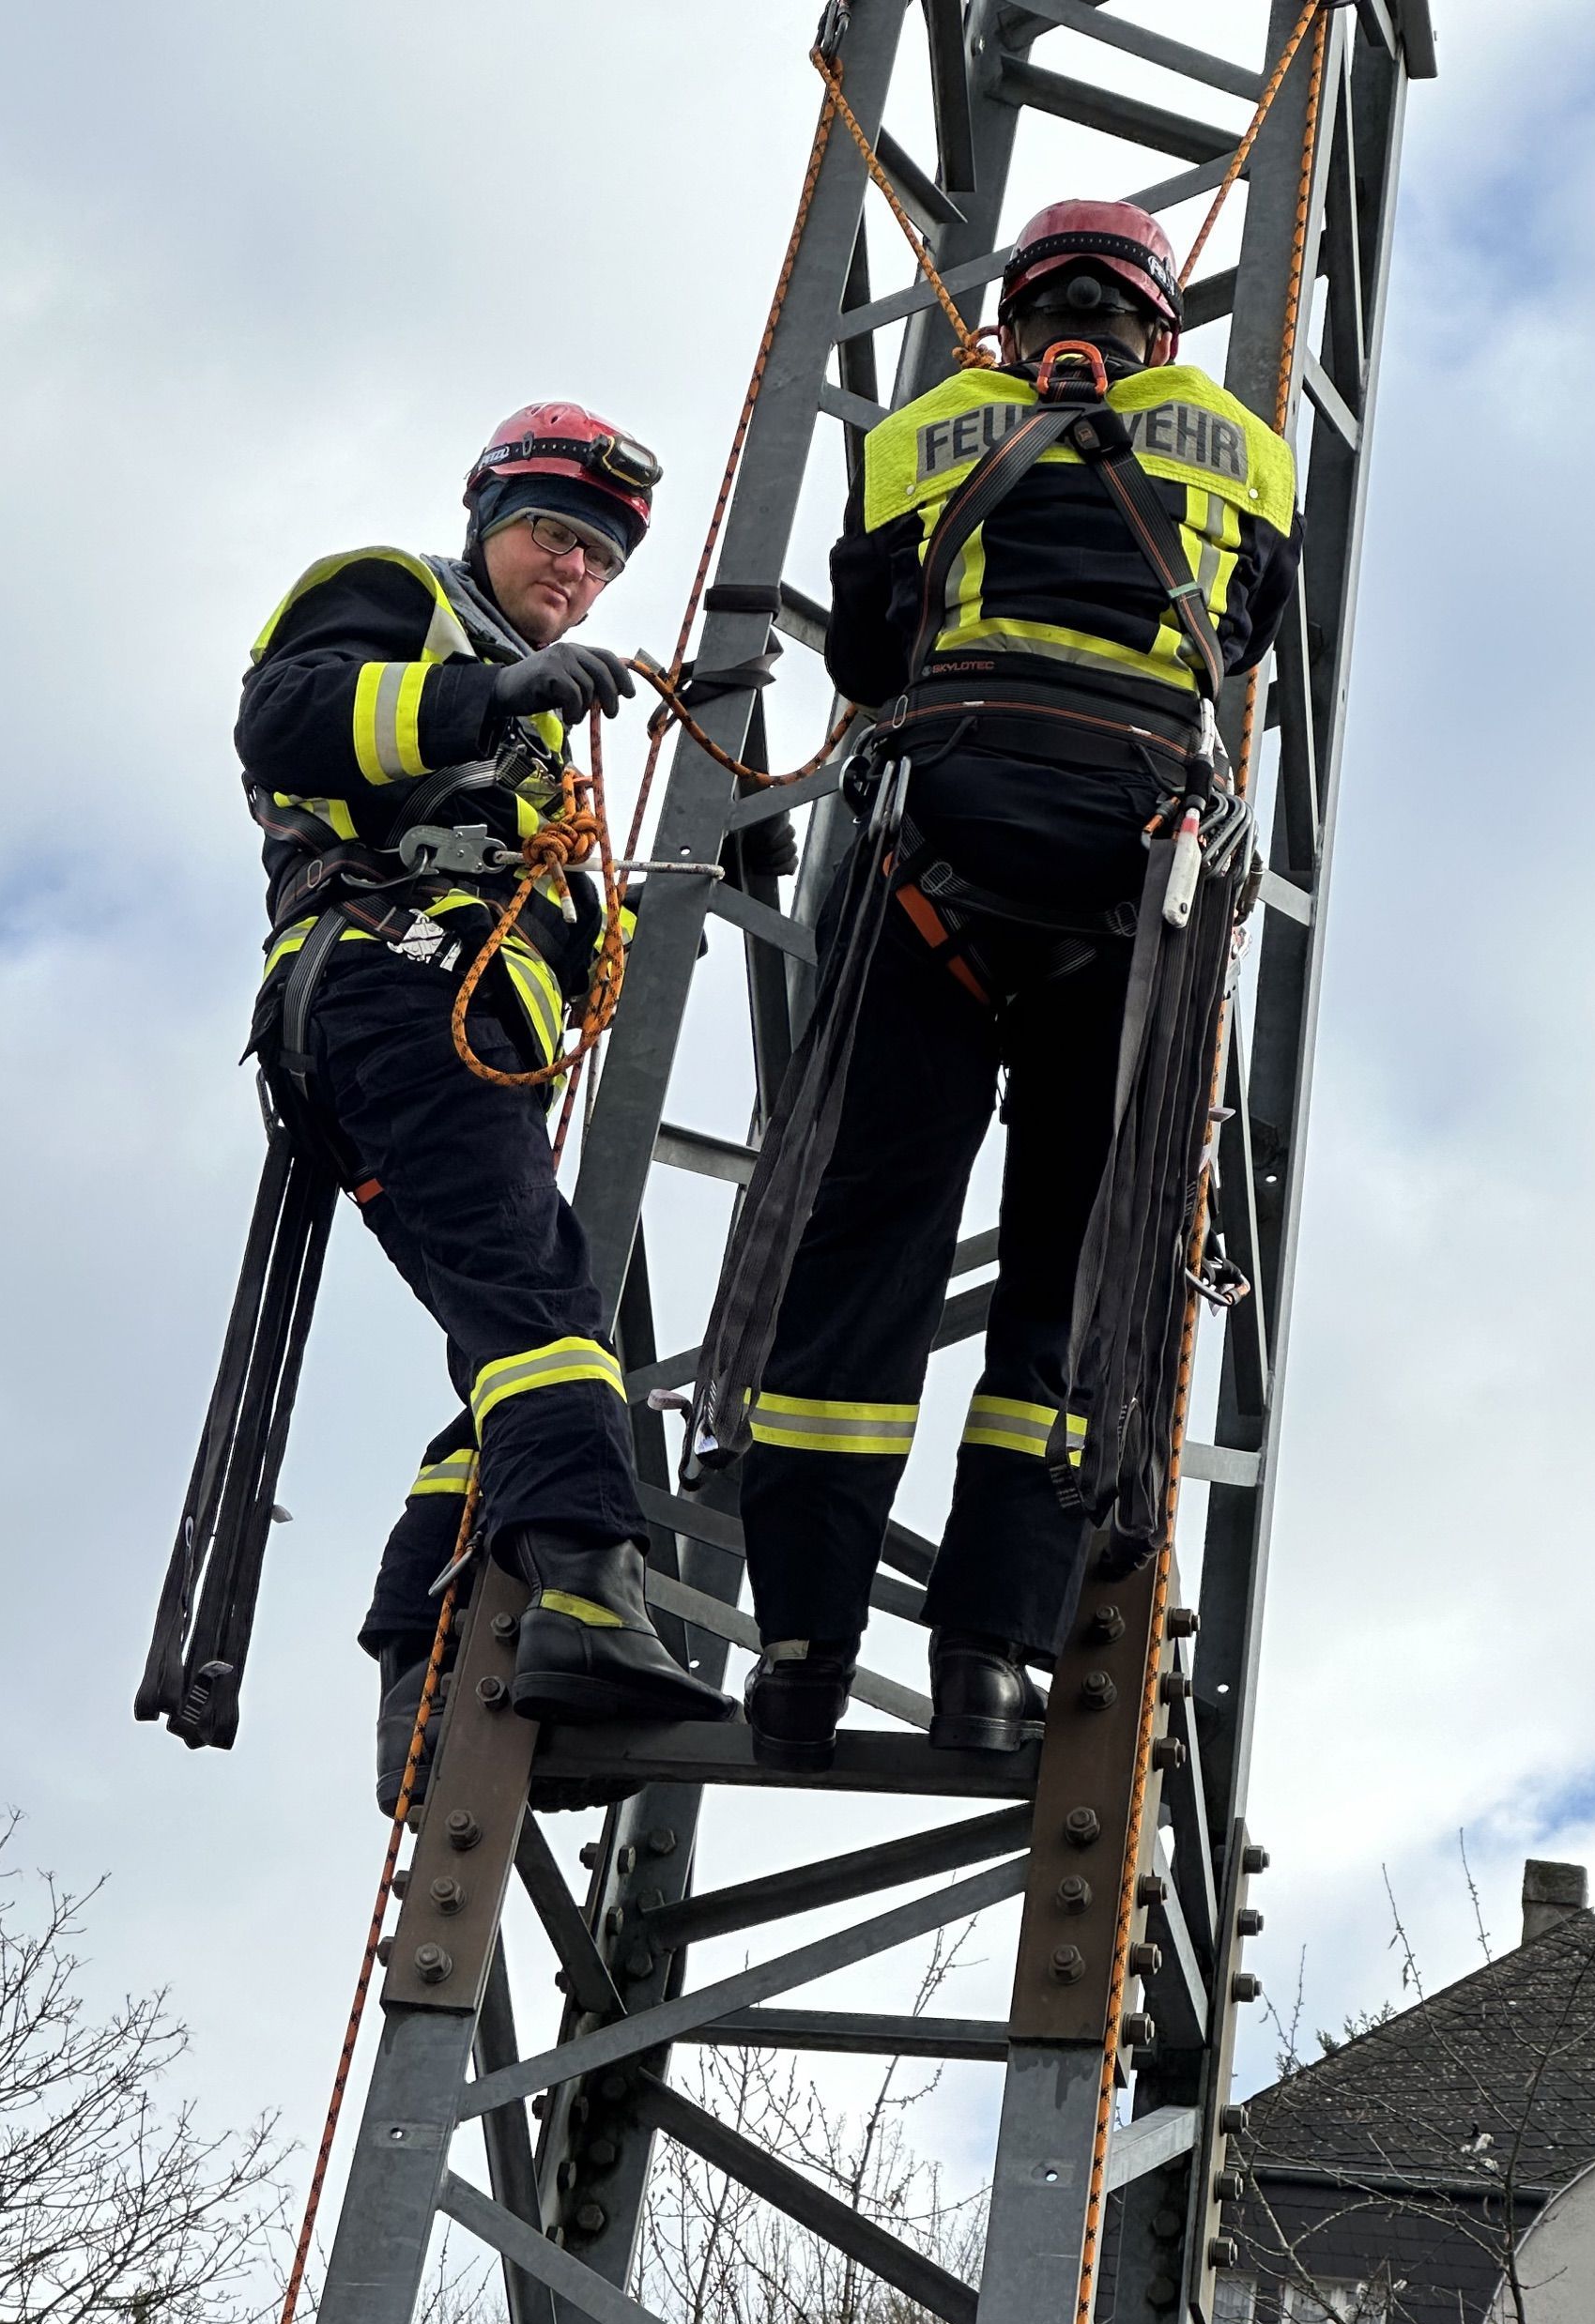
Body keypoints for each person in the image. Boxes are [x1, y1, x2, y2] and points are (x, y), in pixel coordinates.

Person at [736, 203, 1300, 1769]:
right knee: (1069, 1284)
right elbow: (1241, 630)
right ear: (1155, 329)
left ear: (1013, 315)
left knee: (856, 1264)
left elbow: (865, 655)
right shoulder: (1243, 450)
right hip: (1135, 900)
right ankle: (990, 1659)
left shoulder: (924, 432)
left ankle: (796, 1653)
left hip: (936, 870)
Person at [235, 403, 731, 1810]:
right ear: (486, 519)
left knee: (533, 1338)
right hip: (394, 987)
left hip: (453, 1026)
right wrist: (483, 700)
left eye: (599, 560)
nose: (572, 572)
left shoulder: (537, 703)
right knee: (538, 1321)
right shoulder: (399, 595)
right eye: (552, 537)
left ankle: (427, 1668)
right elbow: (280, 720)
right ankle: (584, 1601)